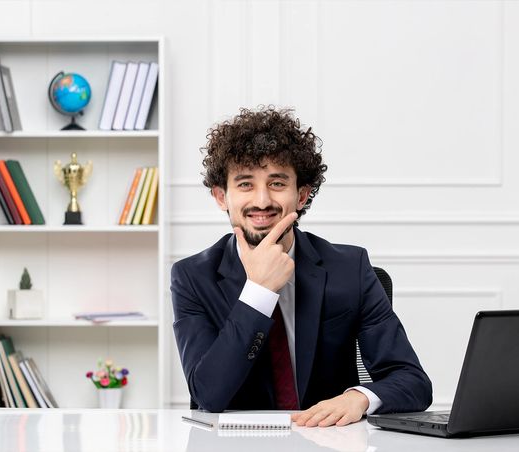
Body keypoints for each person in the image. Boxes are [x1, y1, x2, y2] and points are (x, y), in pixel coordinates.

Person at [171, 106, 432, 427]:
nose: (262, 200)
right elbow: (209, 395)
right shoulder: (192, 277)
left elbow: (413, 381)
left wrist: (360, 397)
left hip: (330, 440)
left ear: (302, 195)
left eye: (278, 183)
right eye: (245, 184)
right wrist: (258, 292)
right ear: (221, 197)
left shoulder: (350, 267)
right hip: (238, 445)